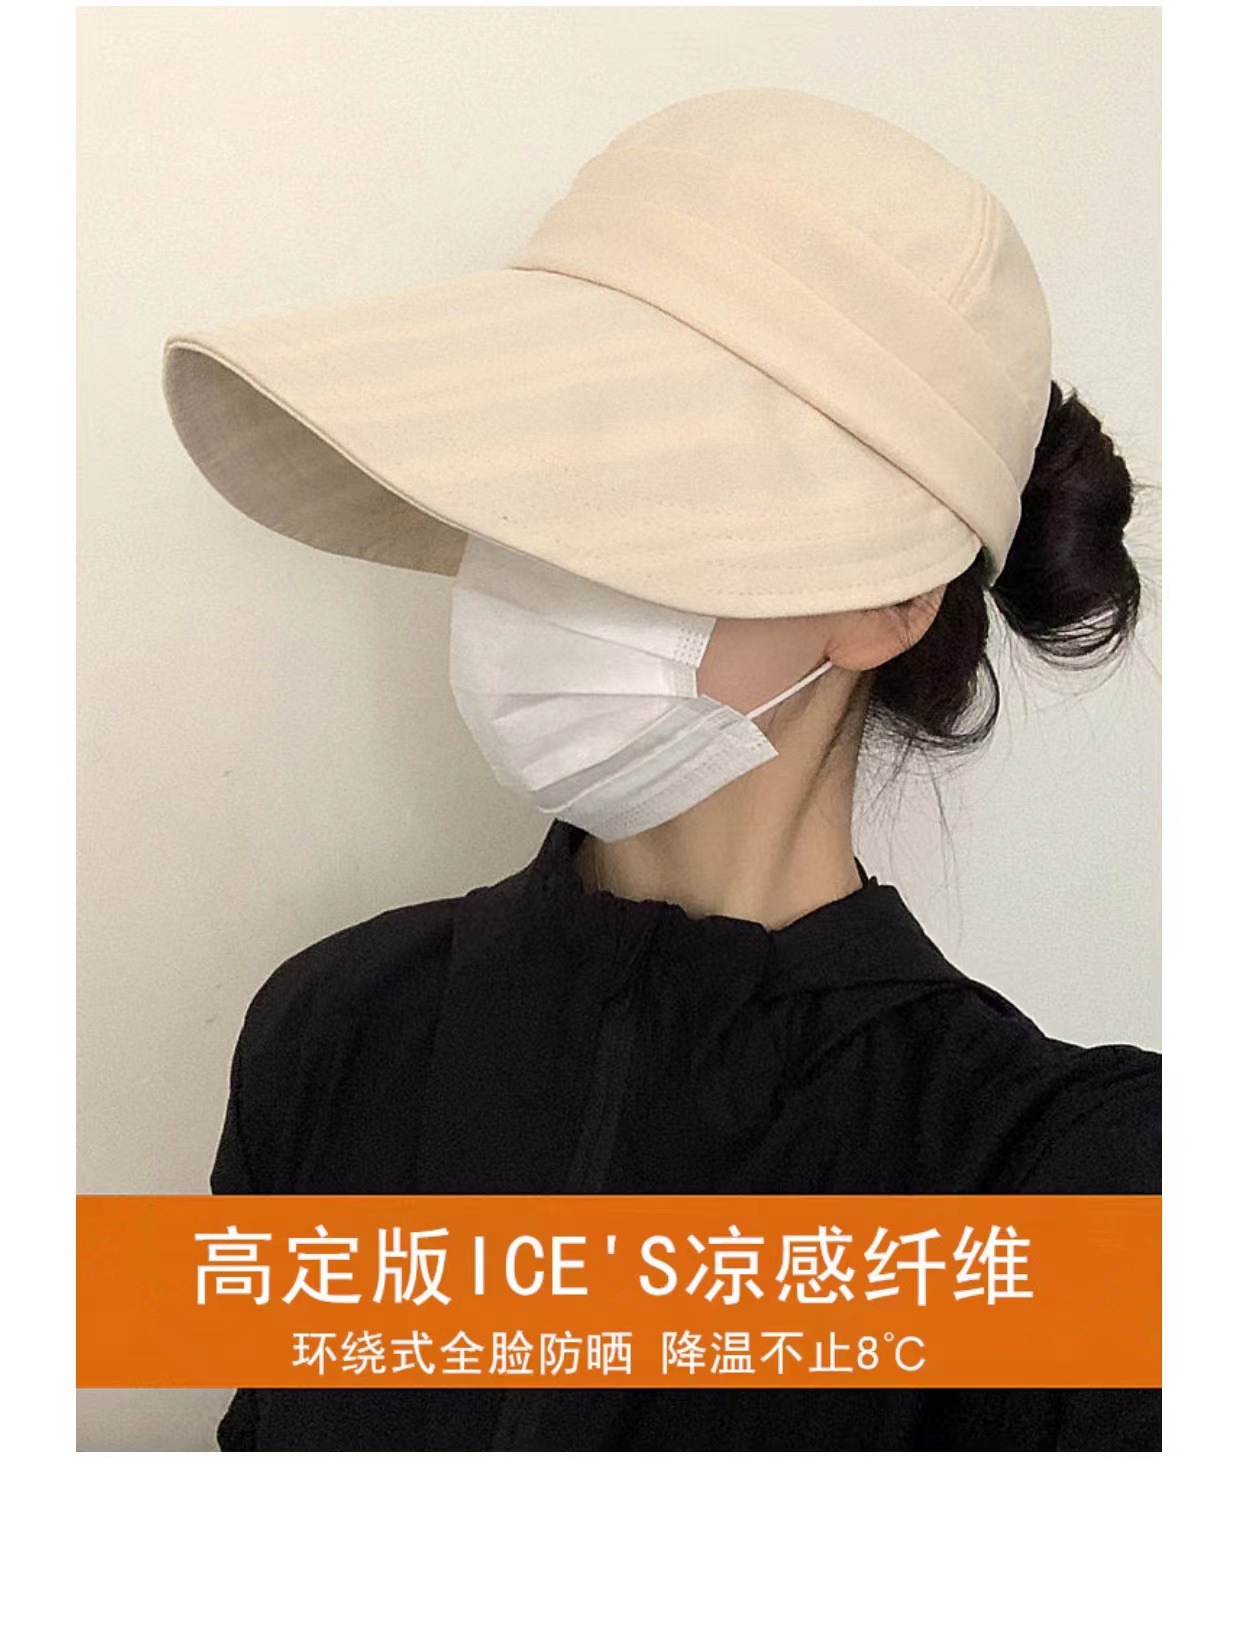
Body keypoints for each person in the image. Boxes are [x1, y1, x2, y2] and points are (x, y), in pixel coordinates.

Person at [161, 89, 1160, 1450]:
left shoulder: (1071, 1180)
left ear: (889, 599)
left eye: (642, 493)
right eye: (524, 480)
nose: (537, 554)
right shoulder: (335, 1030)